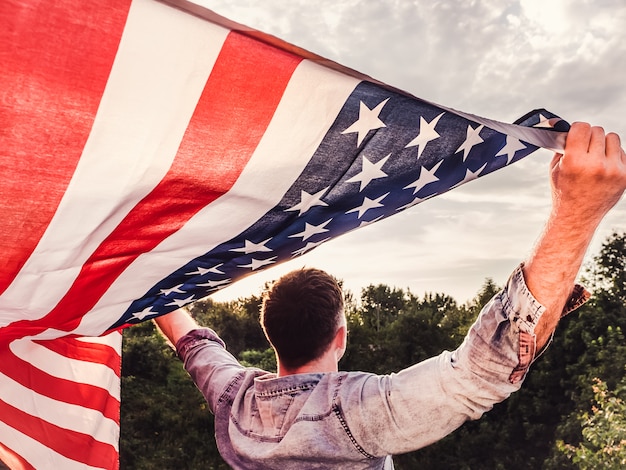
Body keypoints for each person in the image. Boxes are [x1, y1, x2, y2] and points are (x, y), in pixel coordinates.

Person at [154, 122, 626, 469]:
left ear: (270, 334)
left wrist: (135, 275)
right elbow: (482, 372)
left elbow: (187, 335)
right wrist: (577, 212)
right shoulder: (359, 413)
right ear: (340, 335)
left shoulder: (233, 398)